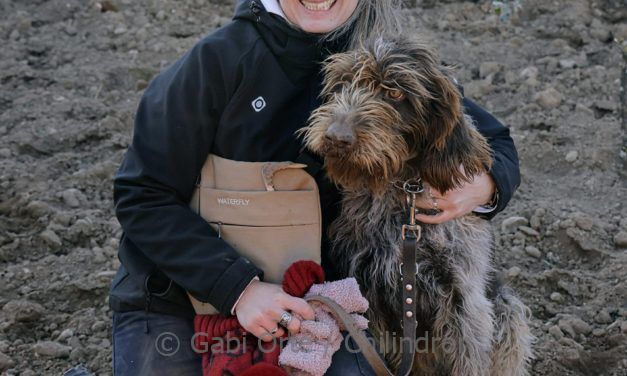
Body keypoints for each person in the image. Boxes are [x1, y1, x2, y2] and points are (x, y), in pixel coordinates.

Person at [109, 0, 521, 374]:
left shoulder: (374, 50)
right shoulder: (216, 62)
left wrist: (483, 187)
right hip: (181, 296)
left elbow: (488, 138)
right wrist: (238, 289)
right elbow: (141, 193)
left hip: (312, 302)